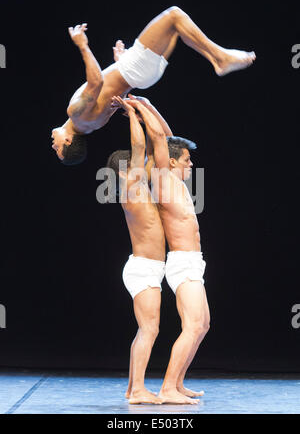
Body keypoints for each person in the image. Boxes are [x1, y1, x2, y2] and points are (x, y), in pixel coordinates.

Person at [51, 6, 256, 165]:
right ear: (68, 141)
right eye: (57, 148)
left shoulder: (92, 126)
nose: (53, 145)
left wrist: (119, 61)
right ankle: (220, 58)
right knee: (175, 15)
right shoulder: (75, 114)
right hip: (134, 68)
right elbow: (97, 82)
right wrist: (82, 45)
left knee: (178, 30)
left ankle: (219, 59)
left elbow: (112, 90)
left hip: (140, 75)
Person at [124, 97, 209, 404]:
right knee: (195, 324)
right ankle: (168, 387)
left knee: (202, 325)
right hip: (181, 263)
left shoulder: (175, 180)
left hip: (192, 262)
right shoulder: (162, 179)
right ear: (172, 162)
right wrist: (142, 103)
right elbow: (161, 139)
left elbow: (168, 138)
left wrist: (147, 108)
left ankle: (178, 383)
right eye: (186, 160)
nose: (191, 164)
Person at [106, 95, 172, 405]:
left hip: (145, 266)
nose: (141, 166)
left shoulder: (137, 187)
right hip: (144, 267)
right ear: (123, 172)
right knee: (150, 328)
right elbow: (139, 149)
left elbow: (156, 145)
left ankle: (134, 388)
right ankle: (138, 390)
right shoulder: (129, 188)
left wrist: (142, 115)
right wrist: (133, 113)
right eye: (134, 165)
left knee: (144, 329)